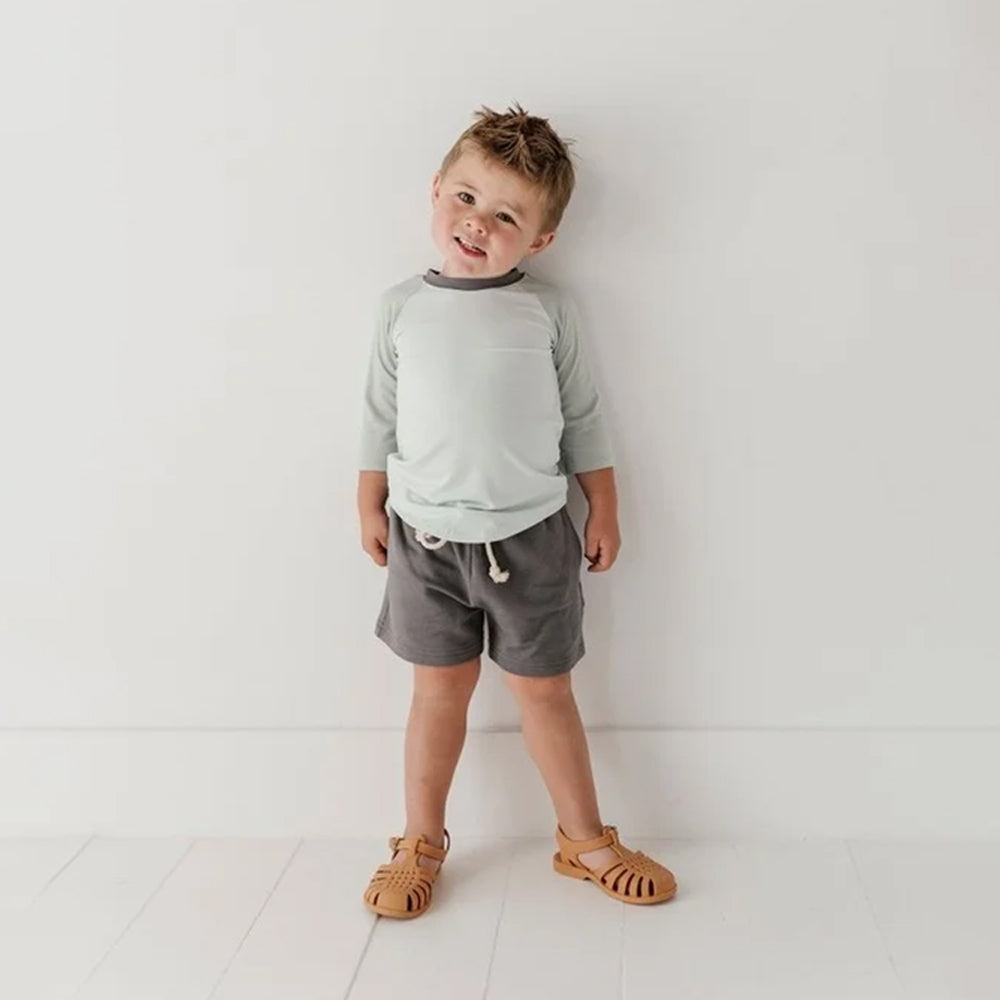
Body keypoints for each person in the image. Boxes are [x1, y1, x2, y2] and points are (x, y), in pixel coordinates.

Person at [357, 103, 677, 919]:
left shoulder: (548, 309)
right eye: (464, 199)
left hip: (532, 540)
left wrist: (602, 505)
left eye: (506, 216)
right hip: (426, 541)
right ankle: (420, 839)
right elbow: (378, 414)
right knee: (439, 693)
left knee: (546, 694)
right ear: (435, 191)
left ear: (539, 238)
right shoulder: (400, 307)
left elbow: (583, 417)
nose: (477, 224)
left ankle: (584, 838)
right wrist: (368, 499)